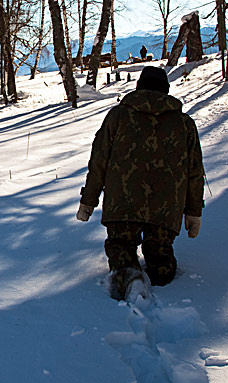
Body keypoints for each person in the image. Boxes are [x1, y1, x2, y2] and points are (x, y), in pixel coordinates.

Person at [76, 66, 204, 295]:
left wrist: (88, 201)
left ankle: (128, 274)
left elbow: (99, 161)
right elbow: (194, 171)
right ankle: (159, 277)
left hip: (122, 205)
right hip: (165, 209)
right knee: (161, 259)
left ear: (139, 87)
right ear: (166, 89)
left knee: (121, 248)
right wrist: (193, 211)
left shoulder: (118, 116)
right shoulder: (184, 124)